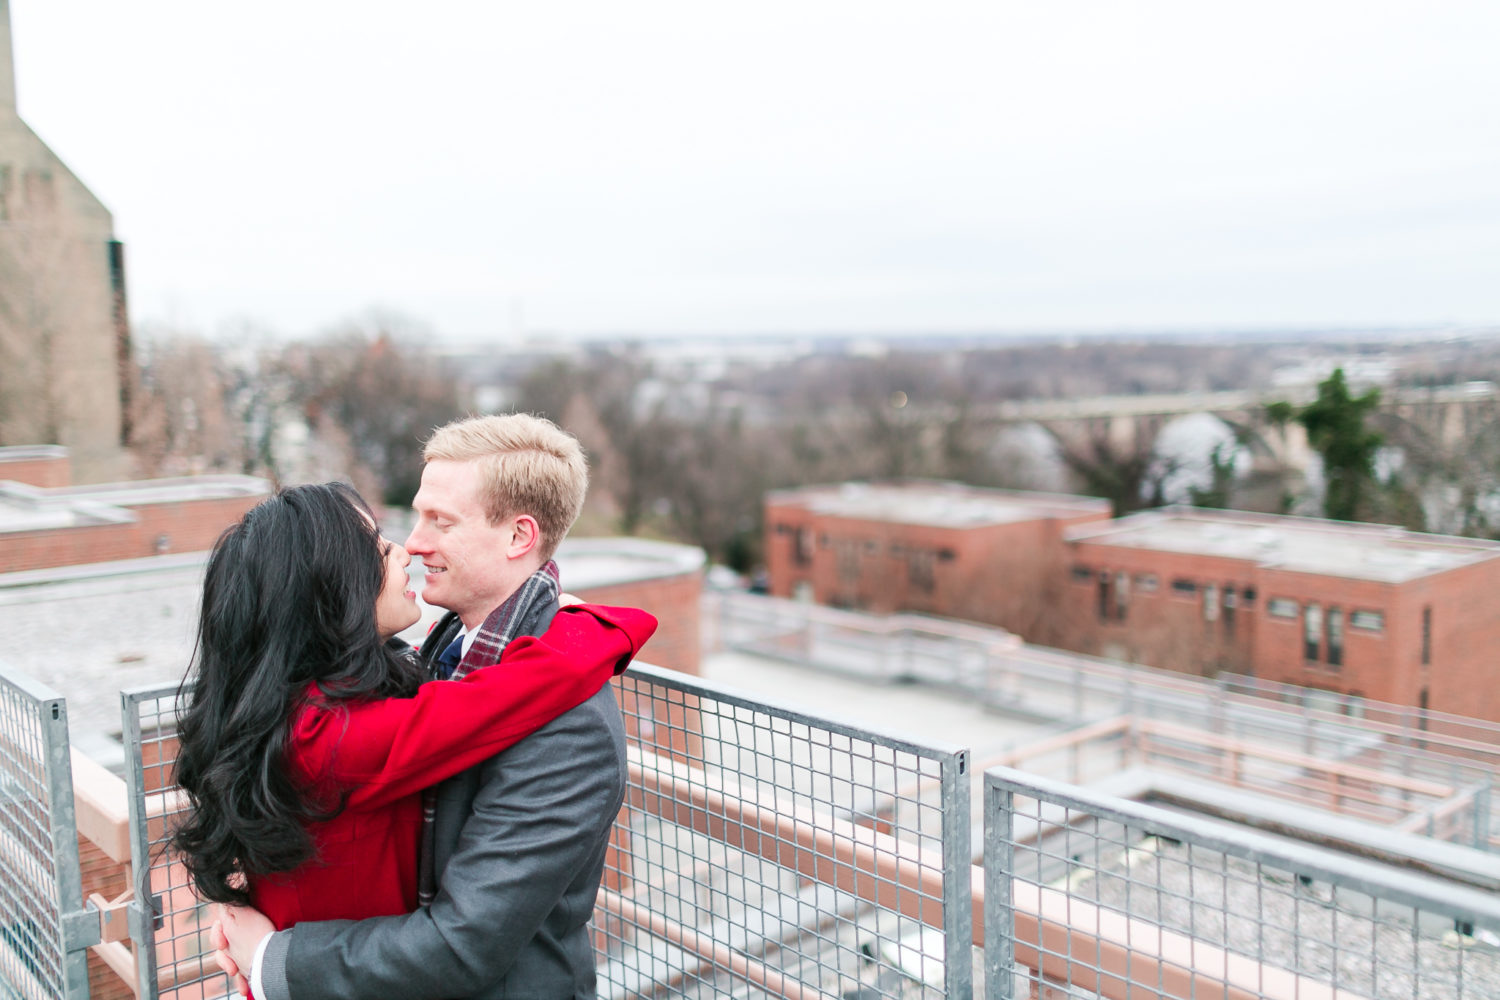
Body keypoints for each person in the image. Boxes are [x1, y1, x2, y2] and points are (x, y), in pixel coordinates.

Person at [219, 414, 639, 1000]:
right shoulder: (431, 658)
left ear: (519, 537)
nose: (414, 543)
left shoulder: (569, 726)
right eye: (418, 516)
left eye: (441, 521)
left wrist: (272, 959)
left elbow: (462, 945)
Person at [171, 482, 655, 934]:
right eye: (379, 548)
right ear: (330, 590)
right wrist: (593, 626)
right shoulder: (325, 739)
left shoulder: (303, 705)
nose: (405, 550)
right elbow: (509, 696)